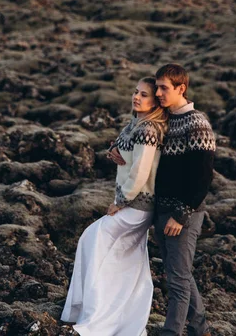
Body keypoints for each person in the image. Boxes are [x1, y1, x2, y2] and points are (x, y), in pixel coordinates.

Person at [61, 77, 168, 336]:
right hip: (137, 203)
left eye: (144, 95)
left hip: (137, 205)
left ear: (155, 102)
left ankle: (96, 315)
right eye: (135, 92)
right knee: (126, 261)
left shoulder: (148, 129)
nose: (137, 97)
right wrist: (118, 155)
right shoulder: (137, 124)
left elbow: (142, 171)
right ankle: (121, 319)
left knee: (92, 240)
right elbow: (130, 156)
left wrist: (120, 201)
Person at [153, 63, 215, 336]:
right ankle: (201, 329)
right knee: (180, 274)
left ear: (181, 88)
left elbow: (201, 179)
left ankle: (172, 332)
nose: (158, 93)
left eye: (164, 88)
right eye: (156, 87)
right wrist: (117, 151)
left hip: (183, 214)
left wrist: (181, 215)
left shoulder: (197, 123)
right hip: (161, 209)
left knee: (177, 280)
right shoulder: (164, 119)